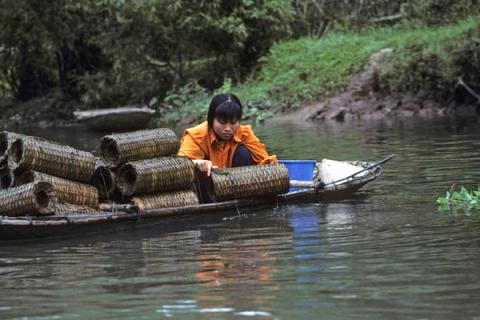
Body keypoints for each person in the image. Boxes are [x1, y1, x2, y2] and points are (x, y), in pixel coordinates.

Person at [178, 93, 278, 201]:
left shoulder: (244, 133)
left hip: (236, 187)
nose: (228, 129)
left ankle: (243, 199)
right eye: (222, 122)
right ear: (211, 119)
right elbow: (179, 165)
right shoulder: (196, 135)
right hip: (206, 192)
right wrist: (196, 163)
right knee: (197, 169)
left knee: (243, 152)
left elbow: (265, 160)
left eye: (233, 122)